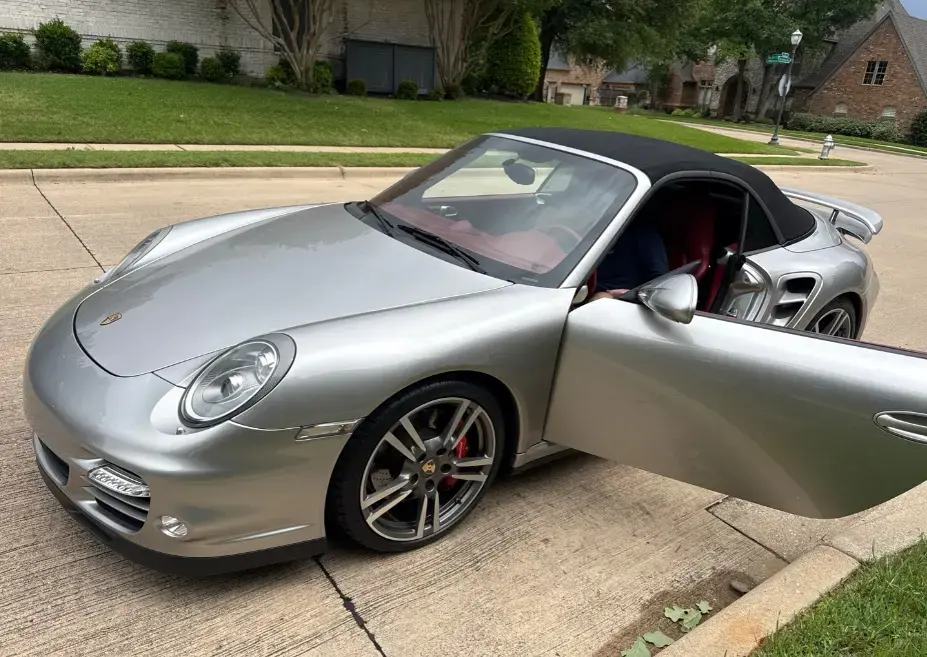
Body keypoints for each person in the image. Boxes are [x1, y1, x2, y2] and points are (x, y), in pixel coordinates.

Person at [590, 216, 669, 301]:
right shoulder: (588, 231)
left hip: (617, 298)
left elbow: (660, 281)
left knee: (601, 299)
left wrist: (631, 295)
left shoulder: (641, 232)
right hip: (580, 291)